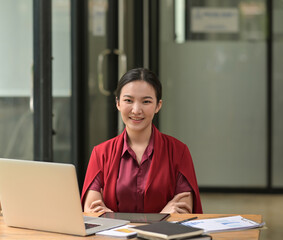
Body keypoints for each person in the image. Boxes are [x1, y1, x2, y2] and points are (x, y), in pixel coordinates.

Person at [81, 68, 202, 214]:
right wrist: (161, 217)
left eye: (146, 101)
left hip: (163, 237)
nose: (136, 110)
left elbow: (183, 210)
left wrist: (113, 217)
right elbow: (92, 211)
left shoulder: (178, 151)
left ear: (158, 105)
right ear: (118, 103)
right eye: (128, 100)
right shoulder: (101, 153)